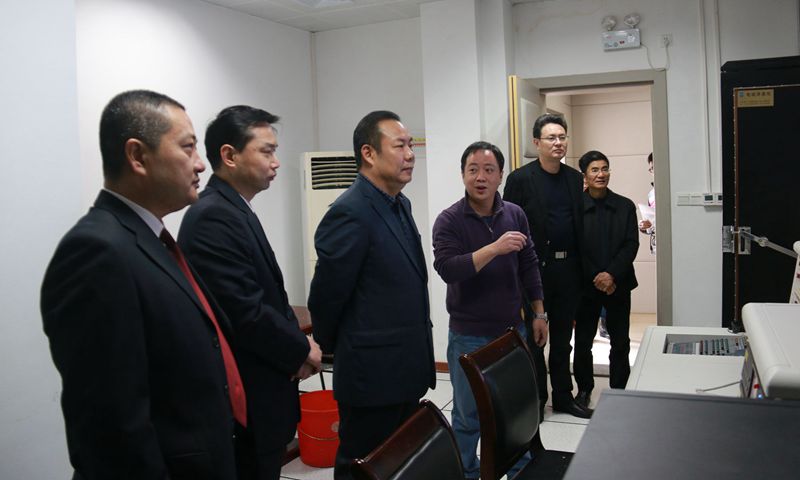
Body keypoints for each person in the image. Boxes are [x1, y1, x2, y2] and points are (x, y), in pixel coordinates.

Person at [40, 90, 242, 479]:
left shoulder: (150, 239)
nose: (201, 164)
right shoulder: (96, 251)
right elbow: (111, 427)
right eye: (187, 147)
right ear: (137, 156)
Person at [178, 106, 322, 480]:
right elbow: (245, 311)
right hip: (246, 397)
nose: (276, 162)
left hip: (264, 389)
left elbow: (265, 295)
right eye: (266, 151)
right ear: (229, 155)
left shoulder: (235, 209)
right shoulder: (213, 216)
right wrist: (300, 349)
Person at [308, 110, 436, 479]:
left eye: (411, 145)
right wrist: (339, 347)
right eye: (400, 146)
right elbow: (327, 298)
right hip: (372, 376)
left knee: (398, 465)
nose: (410, 154)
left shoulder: (399, 203)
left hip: (405, 368)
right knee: (362, 467)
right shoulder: (350, 212)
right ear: (368, 153)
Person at [432, 141, 548, 479]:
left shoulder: (515, 214)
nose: (480, 177)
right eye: (473, 170)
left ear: (500, 176)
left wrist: (539, 313)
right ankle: (467, 473)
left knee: (513, 411)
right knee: (468, 416)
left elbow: (529, 265)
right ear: (463, 175)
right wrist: (494, 248)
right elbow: (449, 269)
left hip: (512, 333)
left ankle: (519, 471)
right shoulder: (449, 220)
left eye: (488, 170)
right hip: (468, 336)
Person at [503, 113, 592, 418]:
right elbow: (509, 225)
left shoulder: (574, 179)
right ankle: (537, 400)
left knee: (563, 340)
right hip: (534, 271)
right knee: (534, 340)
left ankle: (563, 397)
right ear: (536, 142)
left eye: (562, 137)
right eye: (551, 137)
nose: (558, 143)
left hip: (569, 271)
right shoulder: (520, 179)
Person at [573, 150, 639, 402]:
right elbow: (576, 247)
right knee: (583, 341)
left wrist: (611, 274)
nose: (601, 174)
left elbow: (631, 244)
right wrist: (598, 277)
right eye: (594, 170)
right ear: (585, 176)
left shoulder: (625, 206)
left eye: (605, 169)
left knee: (620, 341)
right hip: (585, 286)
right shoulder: (575, 207)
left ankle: (619, 391)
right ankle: (584, 389)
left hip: (618, 284)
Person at [638, 153, 656, 254]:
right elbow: (652, 224)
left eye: (655, 167)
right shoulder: (651, 194)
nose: (654, 171)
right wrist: (645, 227)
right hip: (657, 246)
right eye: (652, 168)